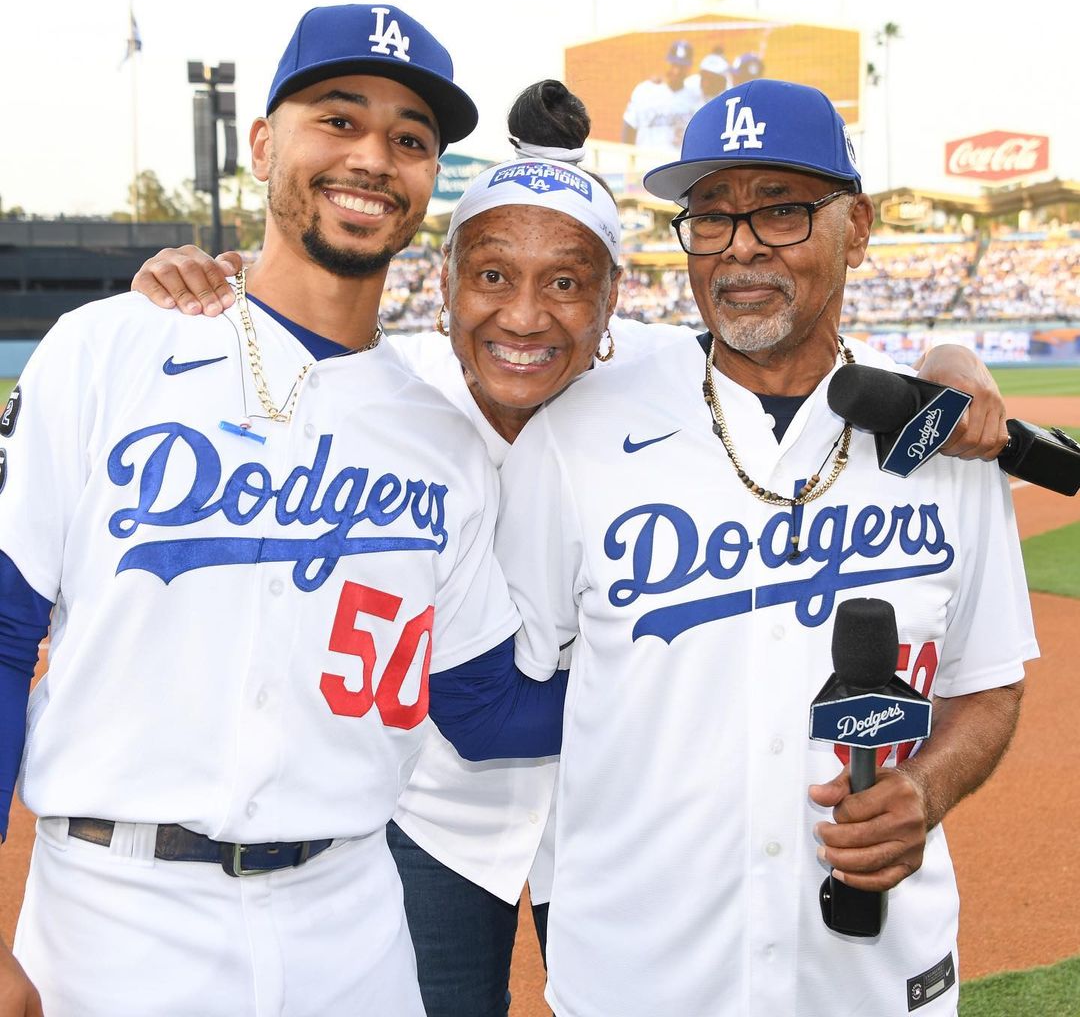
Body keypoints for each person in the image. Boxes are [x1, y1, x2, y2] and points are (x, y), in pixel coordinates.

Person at [132, 82, 1010, 1017]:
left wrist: (952, 359)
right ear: (446, 289)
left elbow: (798, 339)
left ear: (610, 310)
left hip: (610, 823)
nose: (524, 317)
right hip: (440, 809)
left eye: (566, 285)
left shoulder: (638, 367)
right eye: (493, 278)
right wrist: (204, 281)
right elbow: (279, 339)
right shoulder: (394, 387)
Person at [0, 3, 554, 1017]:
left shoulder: (441, 440)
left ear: (431, 180)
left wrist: (721, 675)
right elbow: (2, 626)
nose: (374, 157)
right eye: (337, 120)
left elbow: (483, 709)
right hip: (114, 919)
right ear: (263, 145)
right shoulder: (108, 348)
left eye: (410, 139)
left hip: (350, 923)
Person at [494, 79, 1036, 1016]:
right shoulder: (576, 435)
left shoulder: (942, 446)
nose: (741, 245)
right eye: (711, 214)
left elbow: (989, 684)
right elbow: (518, 682)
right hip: (639, 976)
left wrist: (926, 790)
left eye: (781, 211)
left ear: (857, 231)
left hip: (869, 977)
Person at [621, 39, 700, 152]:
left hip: (675, 166)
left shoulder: (694, 99)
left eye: (681, 67)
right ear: (667, 62)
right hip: (644, 163)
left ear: (689, 68)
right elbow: (628, 129)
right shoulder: (644, 91)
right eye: (674, 64)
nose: (676, 71)